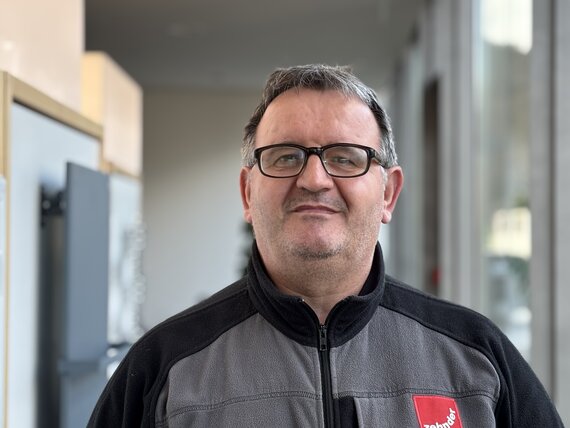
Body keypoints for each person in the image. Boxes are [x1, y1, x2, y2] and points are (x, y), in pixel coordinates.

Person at [88, 64, 563, 427]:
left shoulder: (477, 358)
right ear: (248, 194)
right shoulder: (163, 368)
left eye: (345, 158)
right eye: (285, 157)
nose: (314, 179)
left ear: (388, 194)